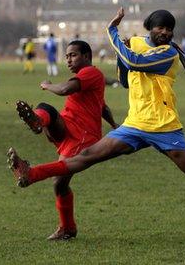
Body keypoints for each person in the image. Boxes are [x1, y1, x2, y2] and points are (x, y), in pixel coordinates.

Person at [7, 8, 185, 243]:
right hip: (135, 123)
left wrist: (113, 33)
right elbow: (126, 78)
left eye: (170, 29)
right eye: (161, 28)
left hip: (163, 125)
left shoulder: (170, 52)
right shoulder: (137, 43)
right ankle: (31, 173)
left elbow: (137, 62)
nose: (166, 32)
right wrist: (122, 55)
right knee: (86, 156)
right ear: (150, 27)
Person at [14, 40, 118, 240]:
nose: (69, 59)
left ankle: (66, 227)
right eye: (67, 56)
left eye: (73, 55)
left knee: (59, 182)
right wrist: (115, 125)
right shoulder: (88, 77)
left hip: (82, 136)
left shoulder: (91, 73)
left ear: (87, 56)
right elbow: (102, 107)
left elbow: (63, 90)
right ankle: (37, 122)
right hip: (67, 128)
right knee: (47, 110)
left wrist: (47, 85)